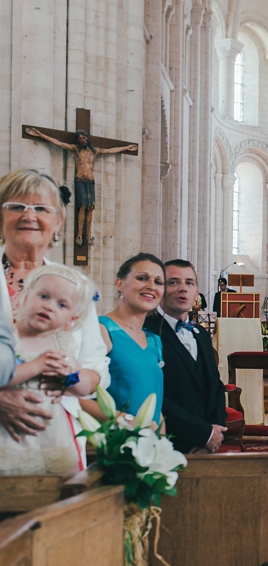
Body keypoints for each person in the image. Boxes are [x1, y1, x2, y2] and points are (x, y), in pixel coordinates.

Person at [0, 168, 110, 444]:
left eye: (41, 208)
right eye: (16, 207)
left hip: (58, 434)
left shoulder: (74, 286)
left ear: (58, 222)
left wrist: (72, 375)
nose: (29, 216)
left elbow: (96, 365)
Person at [0, 264, 101, 475]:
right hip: (9, 434)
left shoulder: (62, 345)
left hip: (51, 435)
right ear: (25, 297)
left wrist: (70, 377)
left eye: (62, 305)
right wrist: (37, 366)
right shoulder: (9, 338)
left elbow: (82, 389)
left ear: (71, 319)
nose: (49, 306)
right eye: (43, 296)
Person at [144, 259, 226, 453]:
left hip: (207, 446)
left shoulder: (201, 333)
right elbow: (155, 395)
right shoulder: (147, 332)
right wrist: (202, 434)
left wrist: (216, 429)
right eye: (173, 282)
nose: (183, 288)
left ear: (197, 292)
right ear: (160, 289)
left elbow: (215, 385)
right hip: (168, 442)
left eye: (189, 283)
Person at [24, 128, 137, 245]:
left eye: (83, 137)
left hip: (90, 181)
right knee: (82, 206)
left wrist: (126, 148)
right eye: (80, 139)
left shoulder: (94, 151)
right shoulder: (76, 149)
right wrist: (40, 134)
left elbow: (110, 150)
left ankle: (88, 235)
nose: (82, 140)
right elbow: (58, 142)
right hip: (80, 180)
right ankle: (79, 234)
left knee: (91, 207)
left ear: (87, 138)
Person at [95, 254, 165, 423]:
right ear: (120, 283)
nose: (151, 286)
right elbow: (77, 396)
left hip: (149, 442)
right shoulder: (102, 330)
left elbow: (155, 402)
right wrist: (127, 422)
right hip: (114, 441)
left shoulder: (154, 340)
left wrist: (161, 440)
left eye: (158, 282)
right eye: (142, 278)